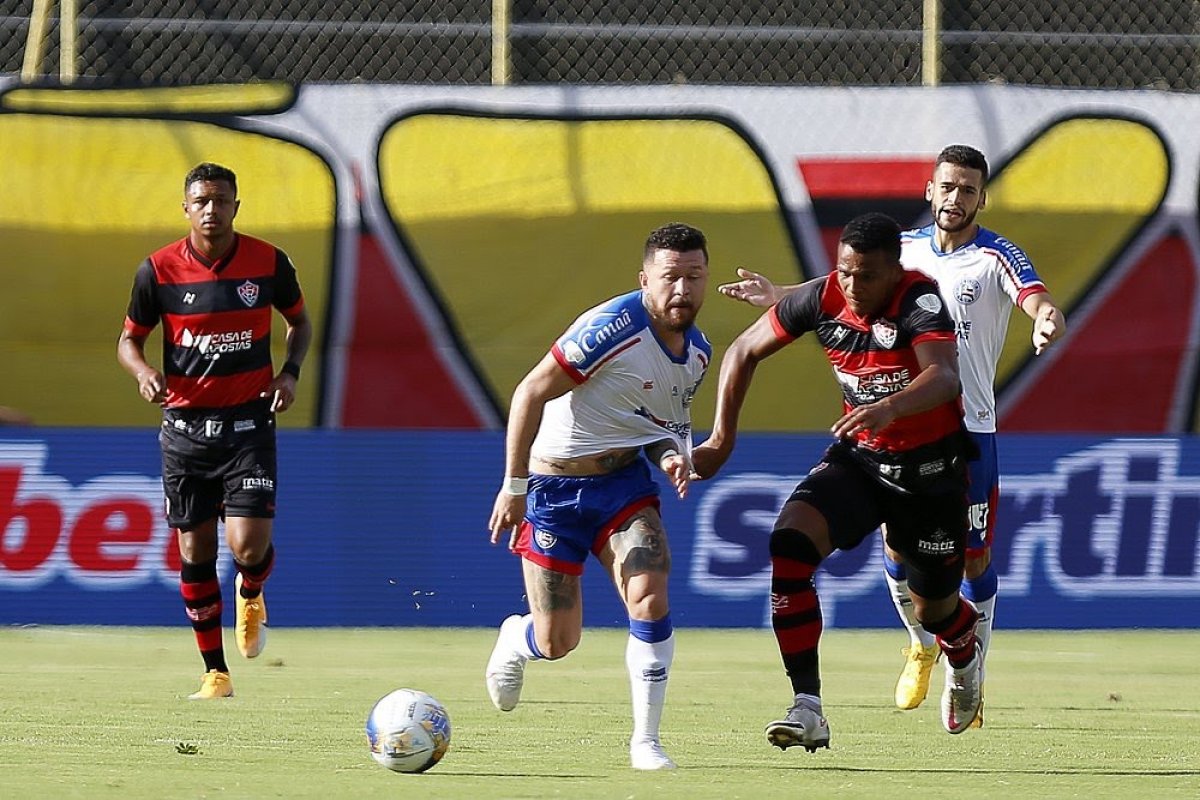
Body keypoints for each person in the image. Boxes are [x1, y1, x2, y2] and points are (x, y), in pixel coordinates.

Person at [718, 145, 1065, 724]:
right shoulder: (896, 250)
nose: (956, 198)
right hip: (873, 444)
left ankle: (970, 666)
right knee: (889, 556)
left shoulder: (996, 256)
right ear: (930, 191)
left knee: (971, 564)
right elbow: (842, 284)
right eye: (947, 187)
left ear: (983, 197)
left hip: (964, 430)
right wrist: (781, 295)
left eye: (968, 190)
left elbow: (1034, 295)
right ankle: (918, 647)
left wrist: (1046, 318)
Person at [693, 212, 984, 749]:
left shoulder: (920, 300)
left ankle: (964, 654)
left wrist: (887, 407)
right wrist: (719, 440)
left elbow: (944, 377)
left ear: (895, 271)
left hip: (930, 476)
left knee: (934, 609)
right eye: (845, 271)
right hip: (862, 461)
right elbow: (742, 351)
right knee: (789, 545)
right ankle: (807, 707)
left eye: (867, 275)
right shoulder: (824, 297)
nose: (853, 285)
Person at [485, 222, 711, 771]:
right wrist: (514, 485)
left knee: (651, 593)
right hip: (553, 491)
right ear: (644, 279)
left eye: (694, 277)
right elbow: (530, 391)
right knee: (559, 641)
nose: (681, 290)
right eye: (670, 278)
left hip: (623, 488)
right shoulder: (611, 328)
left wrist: (672, 456)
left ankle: (646, 742)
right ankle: (517, 640)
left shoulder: (698, 353)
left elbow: (654, 428)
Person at [117, 162, 312, 700]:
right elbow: (128, 341)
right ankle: (215, 672)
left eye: (221, 200)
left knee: (248, 546)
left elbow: (299, 321)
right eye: (201, 200)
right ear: (186, 207)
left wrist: (289, 372)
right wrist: (143, 372)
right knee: (195, 549)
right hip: (184, 432)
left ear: (235, 206)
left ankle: (251, 590)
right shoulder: (157, 271)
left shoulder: (268, 262)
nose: (211, 209)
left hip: (248, 423)